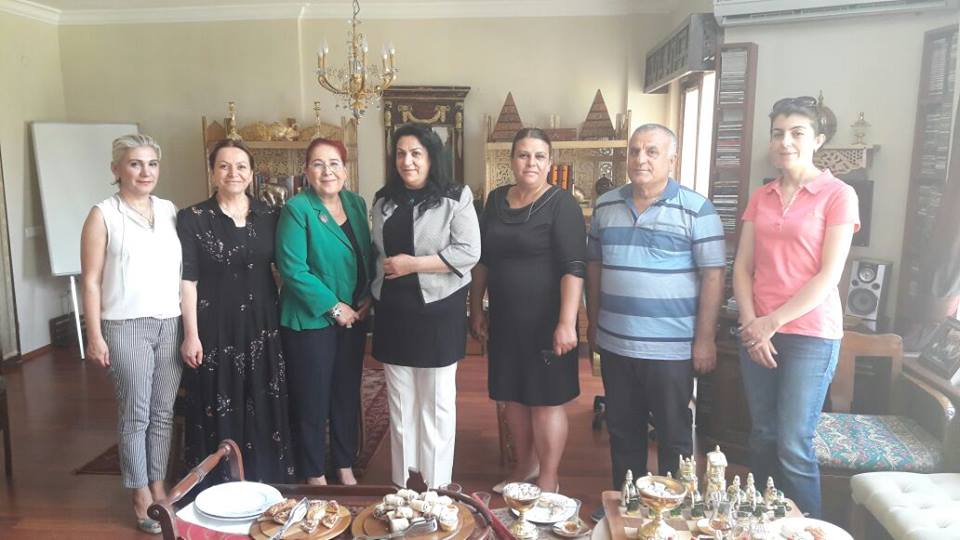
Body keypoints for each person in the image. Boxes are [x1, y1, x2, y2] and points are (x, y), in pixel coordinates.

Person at [586, 124, 725, 519]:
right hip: (617, 343)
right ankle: (627, 509)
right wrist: (592, 323)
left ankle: (672, 515)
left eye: (651, 151)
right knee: (622, 431)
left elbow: (714, 275)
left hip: (671, 348)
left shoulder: (697, 209)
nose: (640, 159)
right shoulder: (605, 206)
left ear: (671, 160)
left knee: (673, 434)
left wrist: (705, 339)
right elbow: (594, 266)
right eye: (634, 151)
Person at [733, 97, 859, 519]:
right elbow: (742, 267)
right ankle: (759, 523)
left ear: (817, 140)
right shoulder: (762, 196)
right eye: (778, 133)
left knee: (793, 443)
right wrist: (751, 325)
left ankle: (807, 529)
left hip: (811, 336)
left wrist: (770, 322)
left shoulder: (839, 195)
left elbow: (829, 276)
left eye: (797, 133)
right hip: (759, 331)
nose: (785, 141)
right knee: (762, 435)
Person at [469, 128, 585, 494]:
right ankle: (525, 465)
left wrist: (567, 322)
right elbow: (482, 259)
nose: (530, 162)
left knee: (546, 399)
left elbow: (574, 267)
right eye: (523, 155)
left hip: (548, 322)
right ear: (511, 160)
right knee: (513, 396)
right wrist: (476, 307)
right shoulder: (496, 200)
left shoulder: (562, 204)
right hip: (505, 319)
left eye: (539, 156)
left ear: (550, 162)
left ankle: (549, 476)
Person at [80, 134, 182, 535]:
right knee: (136, 412)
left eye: (152, 163)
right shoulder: (103, 214)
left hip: (170, 321)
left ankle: (158, 484)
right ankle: (139, 494)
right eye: (135, 163)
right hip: (125, 325)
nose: (145, 172)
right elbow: (90, 281)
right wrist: (94, 334)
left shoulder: (169, 210)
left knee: (163, 412)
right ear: (116, 169)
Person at [177, 139, 294, 484]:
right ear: (213, 173)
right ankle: (219, 484)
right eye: (224, 166)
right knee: (218, 401)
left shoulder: (270, 215)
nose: (233, 173)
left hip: (263, 326)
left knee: (263, 400)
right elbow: (187, 280)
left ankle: (265, 481)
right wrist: (190, 335)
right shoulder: (193, 218)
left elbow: (288, 267)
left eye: (241, 166)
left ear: (252, 173)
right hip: (214, 327)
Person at [371, 123, 481, 489]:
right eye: (401, 154)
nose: (408, 161)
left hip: (438, 311)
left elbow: (468, 252)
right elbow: (376, 254)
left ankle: (436, 488)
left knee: (436, 404)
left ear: (432, 157)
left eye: (416, 153)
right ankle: (403, 486)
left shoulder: (456, 196)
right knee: (401, 406)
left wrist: (413, 265)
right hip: (393, 312)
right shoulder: (383, 200)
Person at [275, 138, 373, 486]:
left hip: (354, 318)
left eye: (334, 163)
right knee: (312, 398)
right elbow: (293, 268)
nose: (327, 171)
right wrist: (334, 307)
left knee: (345, 393)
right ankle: (314, 472)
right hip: (310, 319)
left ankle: (344, 465)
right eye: (318, 164)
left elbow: (366, 254)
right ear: (306, 171)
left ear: (345, 170)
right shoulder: (297, 208)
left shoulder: (356, 203)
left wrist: (367, 296)